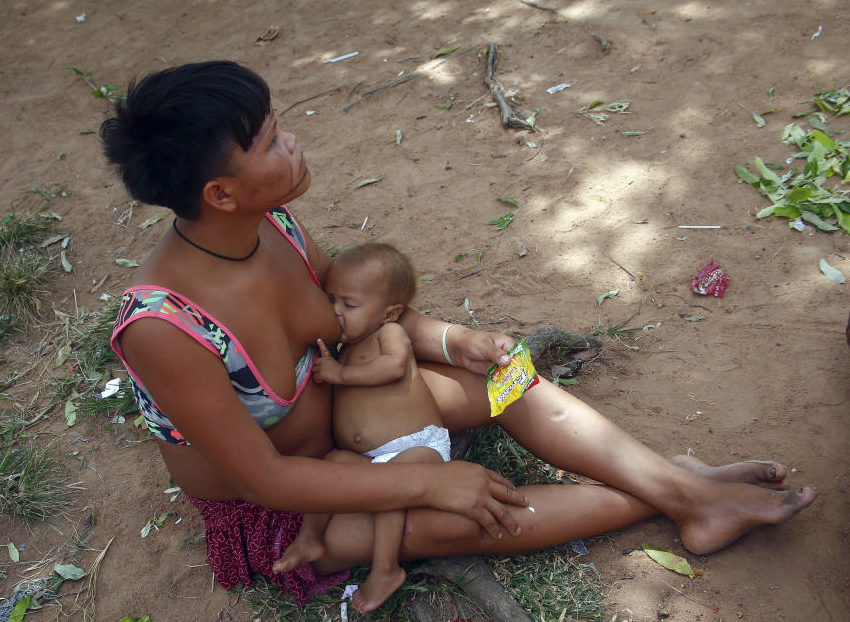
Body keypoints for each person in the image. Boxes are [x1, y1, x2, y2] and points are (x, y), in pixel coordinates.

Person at [101, 61, 817, 607]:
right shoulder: (164, 329)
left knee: (505, 378)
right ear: (219, 193)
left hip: (367, 412)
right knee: (447, 518)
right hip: (299, 503)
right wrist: (427, 482)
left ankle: (681, 491)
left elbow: (369, 319)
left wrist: (452, 342)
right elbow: (263, 477)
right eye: (270, 141)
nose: (293, 143)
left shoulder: (273, 226)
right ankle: (680, 488)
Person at [273, 242, 454, 613]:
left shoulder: (388, 335)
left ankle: (385, 569)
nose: (336, 311)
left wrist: (342, 375)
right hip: (372, 458)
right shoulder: (344, 346)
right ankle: (311, 538)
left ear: (391, 313)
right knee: (333, 464)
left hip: (417, 447)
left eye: (349, 305)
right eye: (331, 300)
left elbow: (392, 367)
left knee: (389, 490)